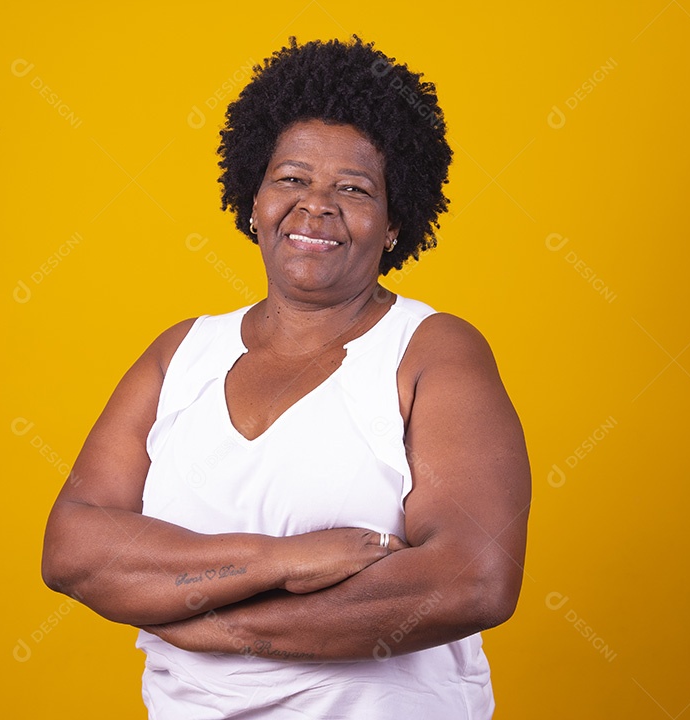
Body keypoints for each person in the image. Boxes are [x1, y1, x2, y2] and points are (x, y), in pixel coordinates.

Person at [41, 35, 531, 718]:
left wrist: (221, 628)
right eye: (292, 179)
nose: (316, 207)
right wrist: (284, 560)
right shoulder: (183, 353)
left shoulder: (431, 352)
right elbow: (75, 550)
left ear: (393, 224)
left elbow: (471, 580)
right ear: (254, 198)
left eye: (353, 188)